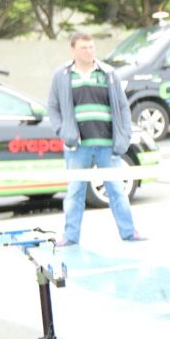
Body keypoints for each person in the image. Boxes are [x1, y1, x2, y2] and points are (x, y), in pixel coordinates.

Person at [48, 32, 145, 247]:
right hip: (78, 146)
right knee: (74, 192)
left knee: (117, 191)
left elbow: (122, 106)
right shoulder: (62, 75)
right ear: (73, 50)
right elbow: (53, 107)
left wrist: (124, 136)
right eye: (84, 48)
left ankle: (129, 233)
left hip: (107, 145)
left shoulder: (108, 73)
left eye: (92, 47)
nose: (89, 51)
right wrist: (62, 131)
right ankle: (70, 236)